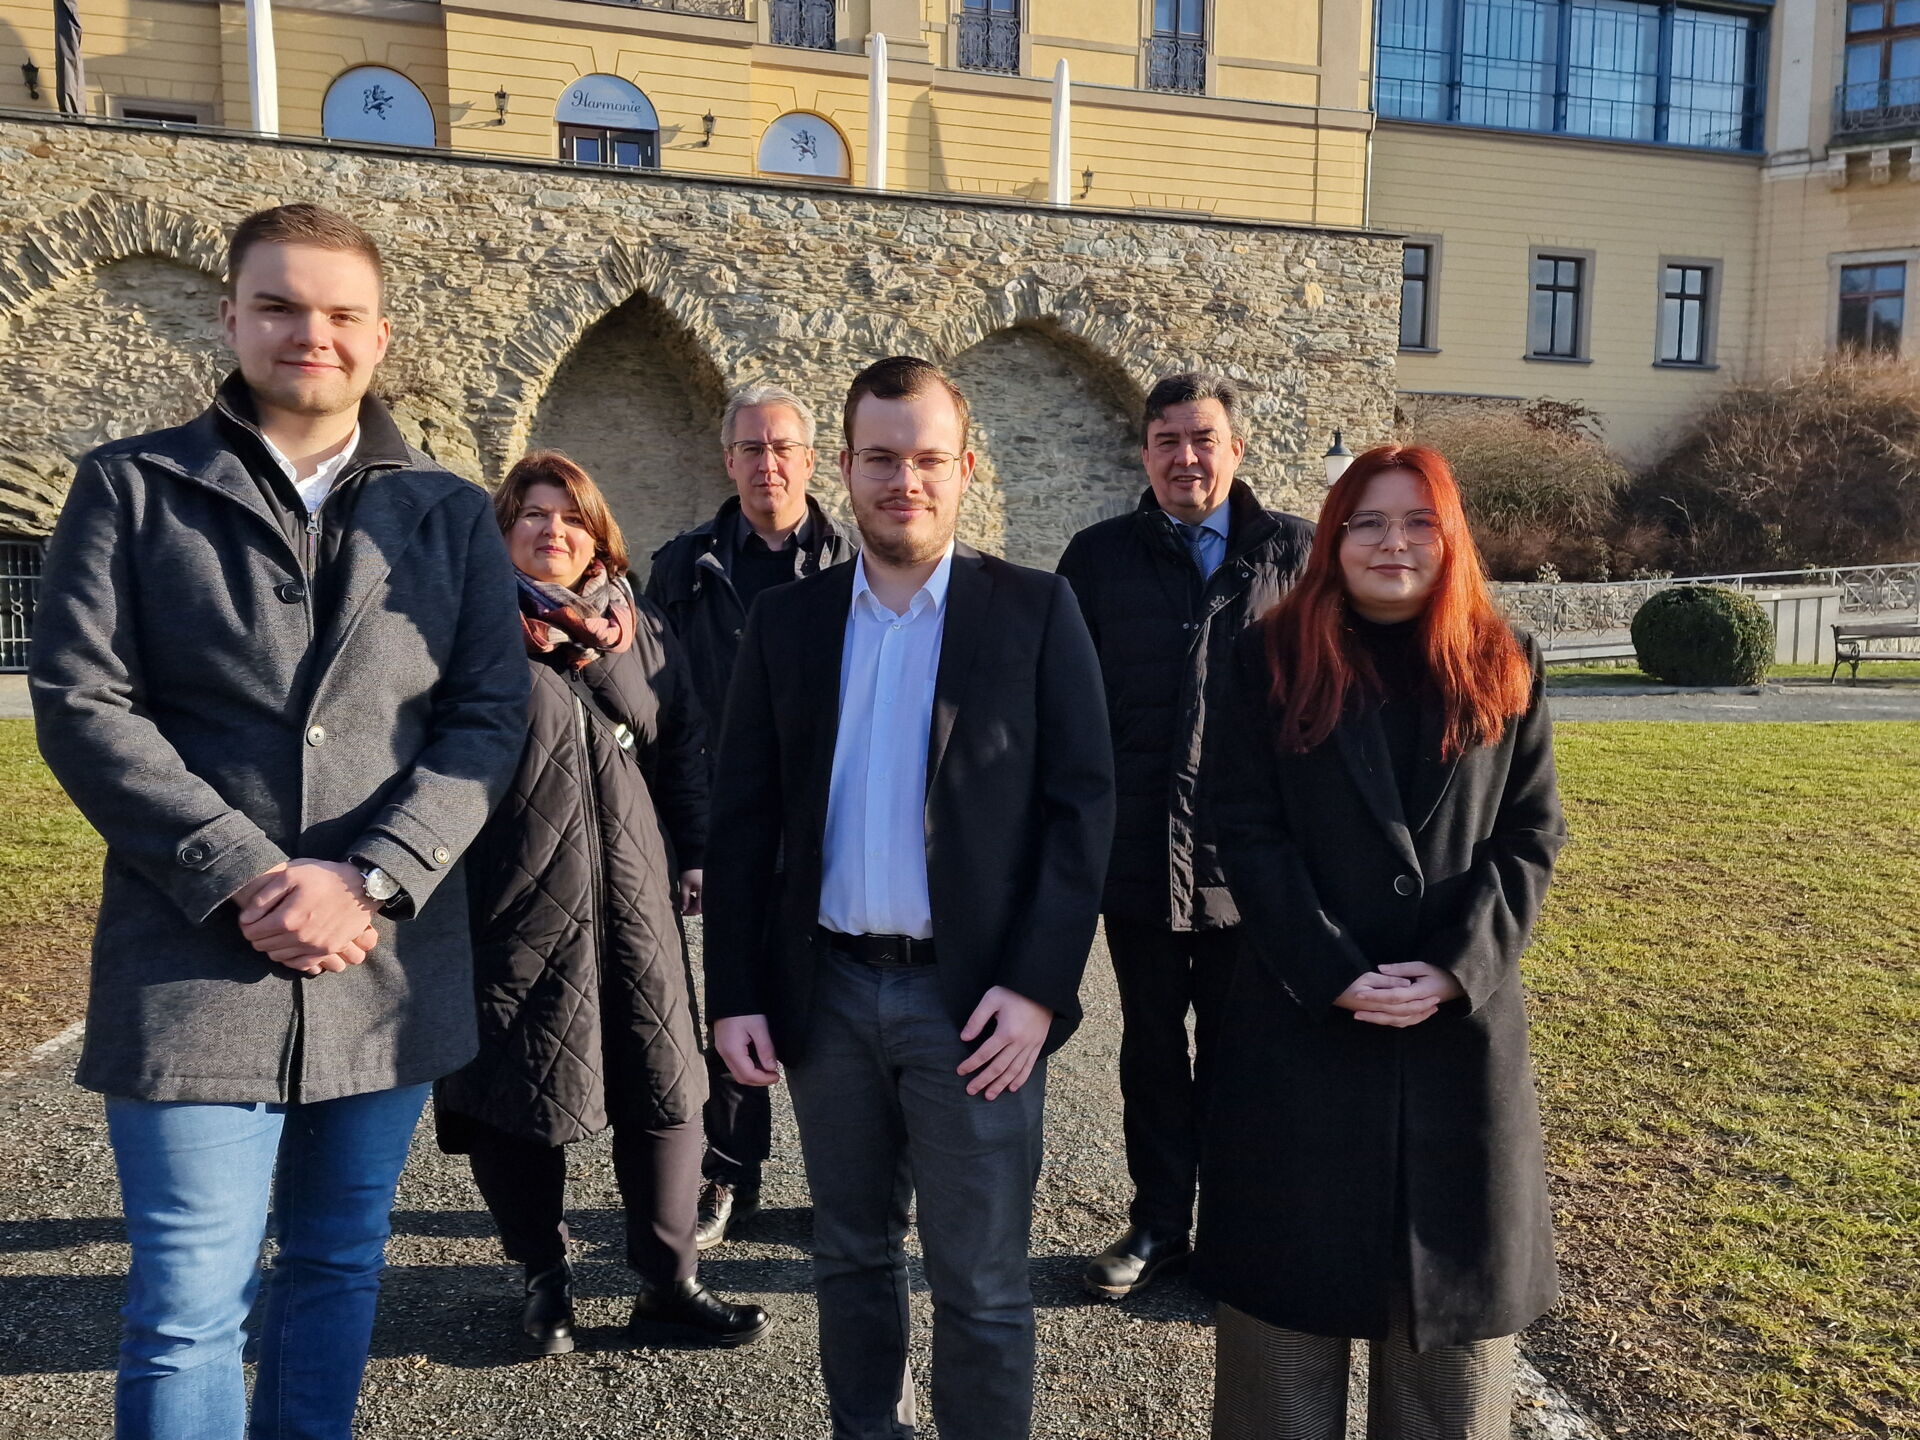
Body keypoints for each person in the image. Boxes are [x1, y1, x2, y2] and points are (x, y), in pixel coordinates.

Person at [28, 204, 530, 1440]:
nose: (313, 333)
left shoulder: (450, 512)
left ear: (381, 335)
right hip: (195, 958)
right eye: (282, 306)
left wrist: (368, 877)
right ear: (232, 317)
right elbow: (84, 705)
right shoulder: (134, 488)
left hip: (382, 961)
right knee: (188, 1307)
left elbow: (485, 718)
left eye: (341, 313)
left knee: (335, 1271)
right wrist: (249, 869)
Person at [704, 355, 1114, 1440]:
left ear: (965, 467)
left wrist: (1035, 990)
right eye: (881, 458)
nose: (906, 481)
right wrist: (734, 992)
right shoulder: (787, 625)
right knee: (850, 1255)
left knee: (979, 1281)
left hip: (972, 1006)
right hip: (827, 994)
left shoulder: (1033, 611)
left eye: (929, 458)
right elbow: (741, 820)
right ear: (844, 468)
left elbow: (1085, 812)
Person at [1195, 444, 1567, 1440]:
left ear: (1450, 537)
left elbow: (1531, 834)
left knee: (1446, 1391)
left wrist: (1457, 969)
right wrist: (1333, 970)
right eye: (1369, 522)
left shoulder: (1509, 659)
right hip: (1302, 1044)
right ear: (1335, 538)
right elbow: (1245, 829)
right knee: (1282, 1379)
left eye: (1417, 522)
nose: (1393, 543)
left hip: (1458, 1056)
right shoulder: (1267, 659)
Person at [434, 451, 771, 1355]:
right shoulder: (464, 621)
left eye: (571, 517)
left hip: (633, 893)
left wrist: (695, 853)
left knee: (667, 1085)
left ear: (598, 535)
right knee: (522, 1093)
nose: (553, 531)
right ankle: (544, 1281)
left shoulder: (639, 625)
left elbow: (679, 742)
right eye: (533, 515)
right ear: (504, 529)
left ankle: (669, 1283)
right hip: (514, 895)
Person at [1056, 373, 1313, 1300]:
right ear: (1145, 453)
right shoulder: (1097, 558)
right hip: (1136, 861)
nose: (1185, 458)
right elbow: (1064, 710)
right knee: (1154, 1051)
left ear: (1237, 449)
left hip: (1258, 868)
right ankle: (1160, 1221)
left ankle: (1242, 1233)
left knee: (1249, 1058)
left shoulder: (1295, 554)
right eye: (1166, 440)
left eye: (1203, 438)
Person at [644, 383, 855, 1250]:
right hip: (731, 817)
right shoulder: (683, 565)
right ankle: (731, 1177)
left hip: (833, 819)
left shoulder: (854, 559)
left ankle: (859, 1182)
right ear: (727, 461)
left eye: (783, 448)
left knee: (851, 997)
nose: (767, 464)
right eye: (751, 449)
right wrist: (691, 839)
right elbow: (662, 714)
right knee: (735, 1002)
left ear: (811, 460)